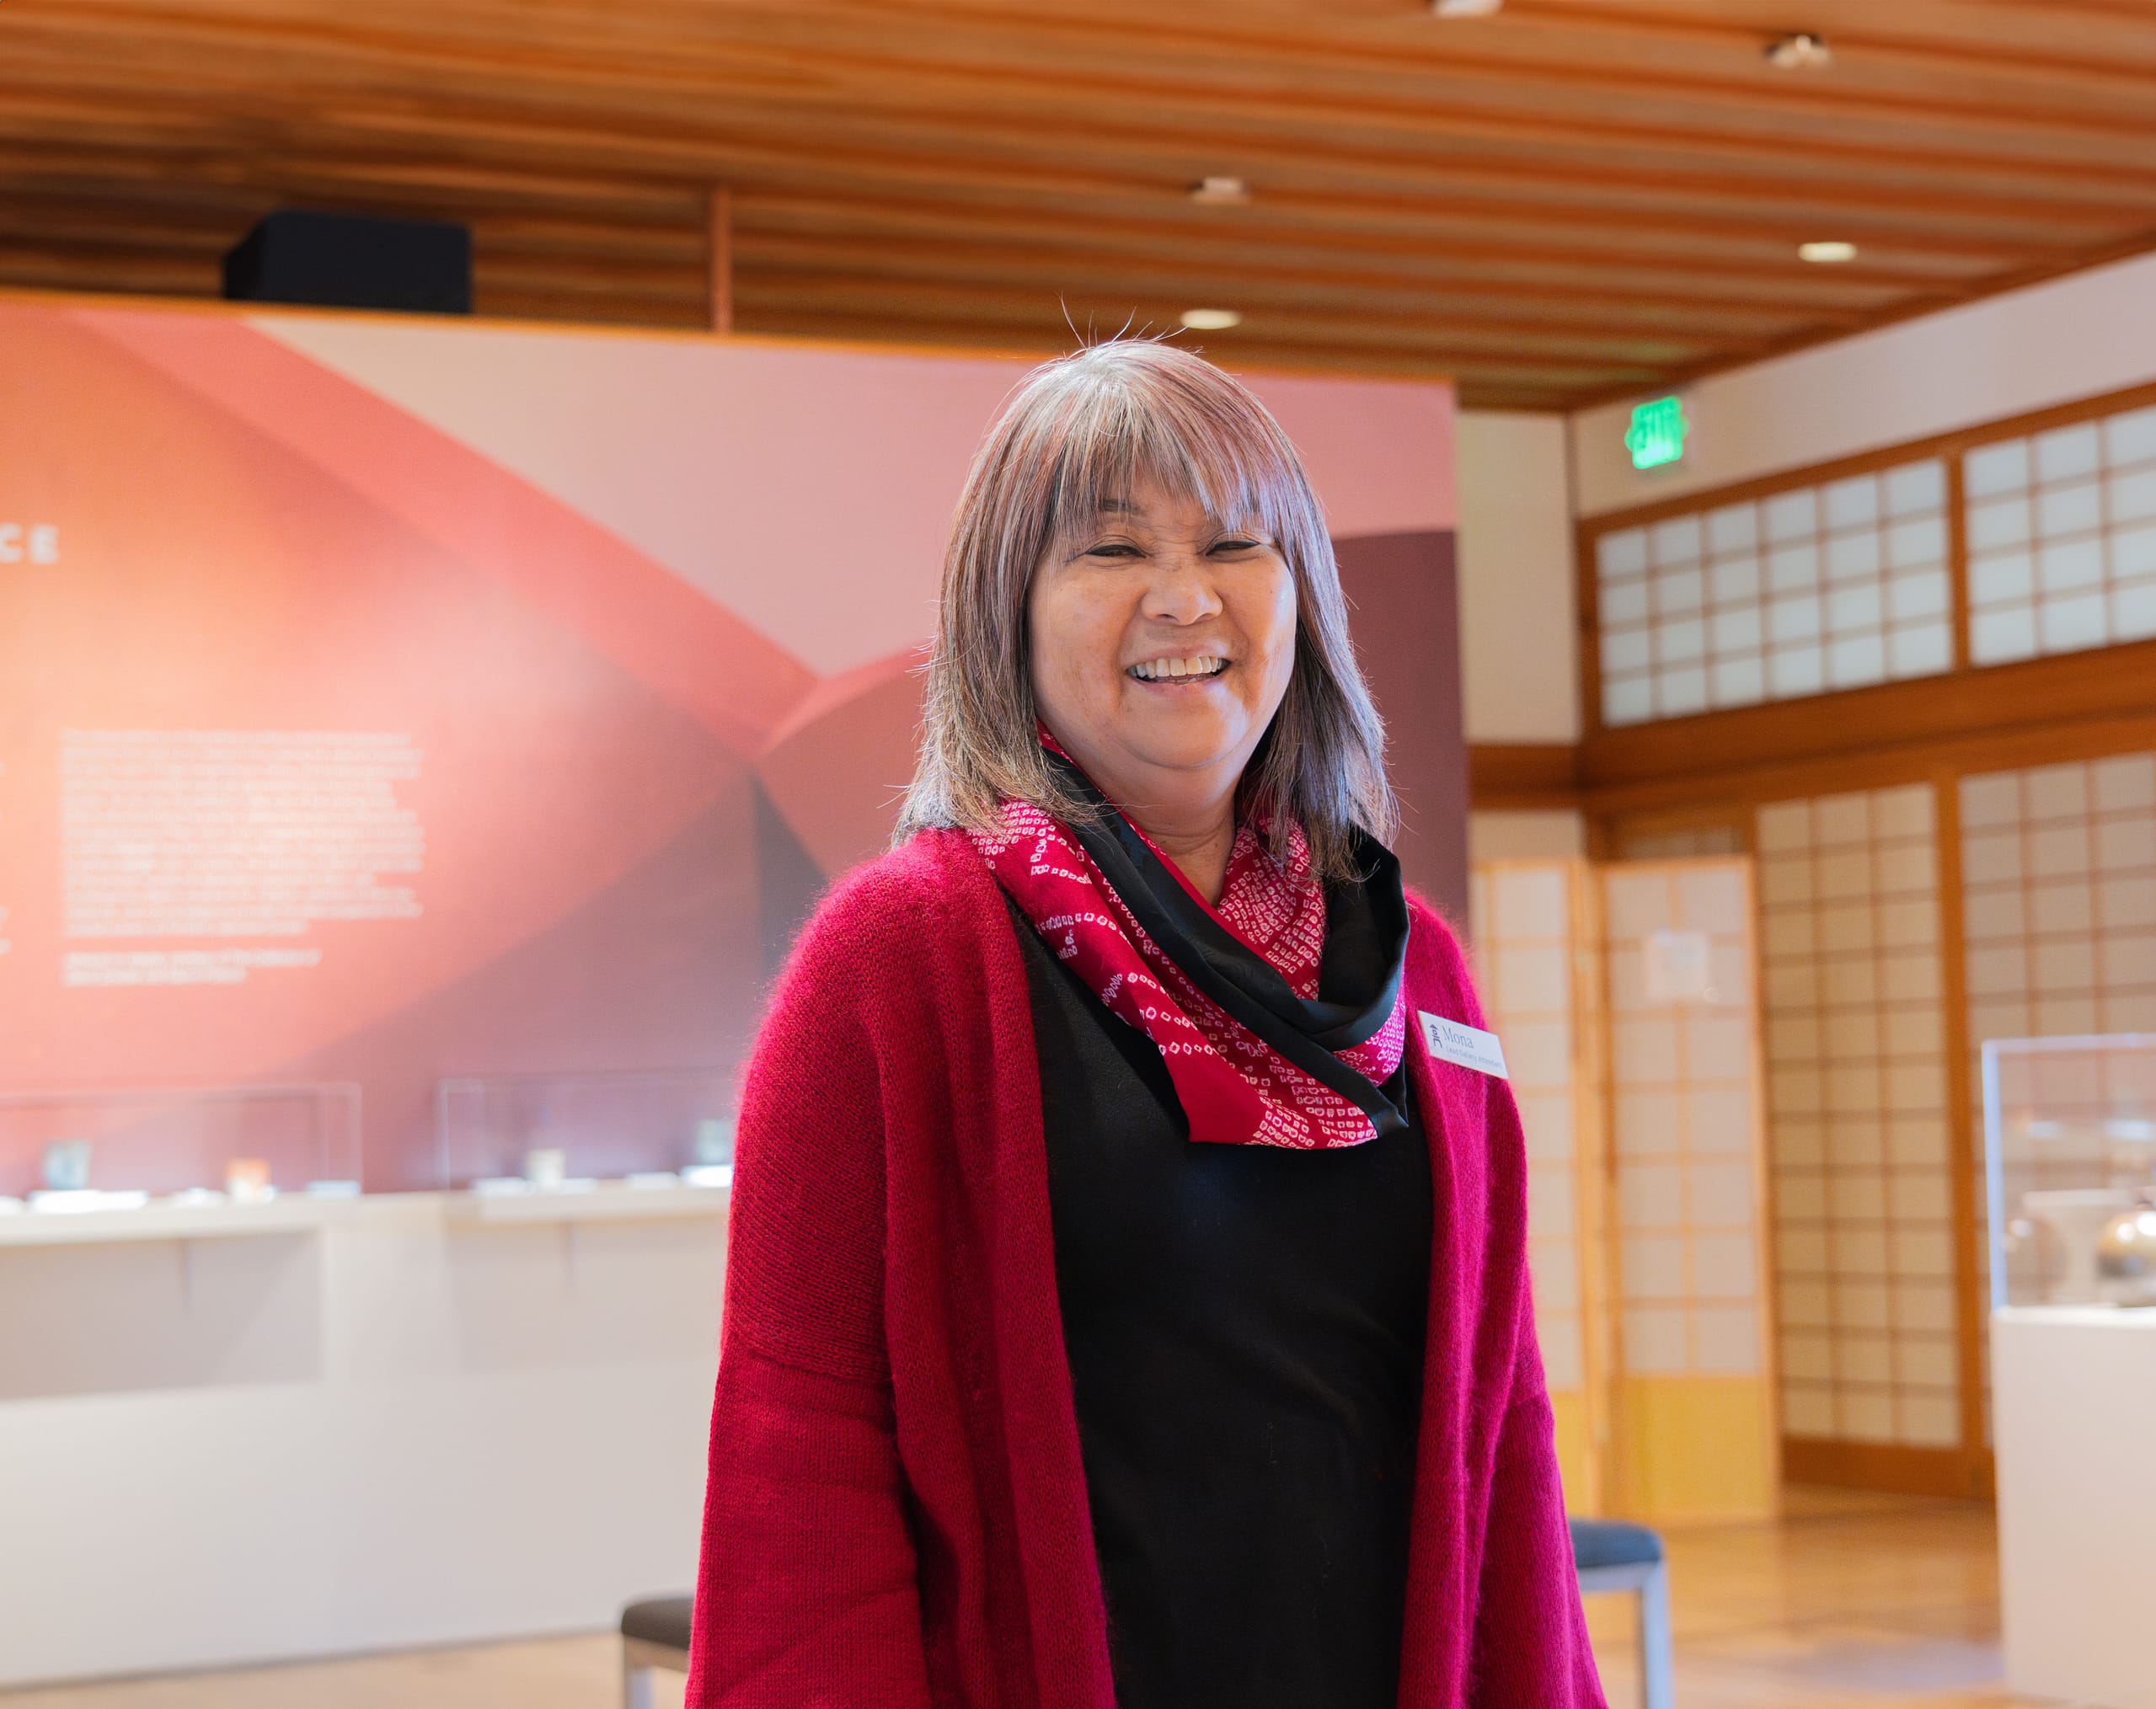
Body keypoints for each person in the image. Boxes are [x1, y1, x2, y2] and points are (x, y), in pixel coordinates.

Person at [685, 339, 1602, 1708]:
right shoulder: (896, 963)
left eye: (1235, 542)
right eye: (1111, 551)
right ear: (1009, 613)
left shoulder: (1415, 972)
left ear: (1301, 602)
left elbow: (1500, 1432)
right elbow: (802, 1451)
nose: (1184, 597)